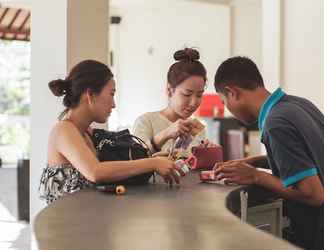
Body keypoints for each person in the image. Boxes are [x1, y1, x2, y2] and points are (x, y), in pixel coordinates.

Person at [213, 56, 324, 250]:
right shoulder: (297, 105)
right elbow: (307, 157)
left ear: (232, 93)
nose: (227, 109)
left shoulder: (276, 123)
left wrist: (255, 176)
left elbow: (314, 194)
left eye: (224, 102)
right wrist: (252, 162)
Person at [39, 60, 184, 204]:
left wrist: (154, 157)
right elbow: (96, 172)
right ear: (90, 95)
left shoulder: (86, 133)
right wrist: (153, 163)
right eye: (111, 94)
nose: (114, 104)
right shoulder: (63, 130)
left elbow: (115, 165)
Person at [133, 48, 211, 159]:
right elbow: (135, 161)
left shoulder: (198, 129)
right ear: (170, 90)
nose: (193, 103)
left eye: (199, 95)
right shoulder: (145, 122)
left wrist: (208, 155)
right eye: (187, 94)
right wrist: (166, 134)